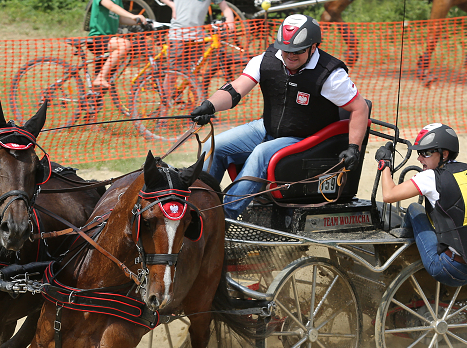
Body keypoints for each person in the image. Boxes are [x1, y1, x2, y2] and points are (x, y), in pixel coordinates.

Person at [189, 13, 369, 220]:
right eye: (286, 50)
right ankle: (198, 205)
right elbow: (236, 88)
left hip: (306, 138)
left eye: (298, 51)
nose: (290, 56)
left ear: (314, 46)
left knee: (261, 153)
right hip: (267, 127)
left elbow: (360, 108)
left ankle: (221, 219)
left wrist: (354, 147)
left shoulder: (330, 75)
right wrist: (209, 105)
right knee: (213, 146)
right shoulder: (266, 60)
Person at [377, 123, 467, 287]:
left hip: (451, 269)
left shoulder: (430, 177)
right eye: (419, 153)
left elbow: (388, 195)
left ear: (444, 154)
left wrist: (384, 163)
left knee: (415, 209)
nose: (419, 158)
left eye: (426, 153)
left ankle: (404, 245)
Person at [87, 0, 148, 90]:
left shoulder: (118, 1)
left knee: (107, 80)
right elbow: (111, 6)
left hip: (109, 41)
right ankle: (100, 77)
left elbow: (121, 19)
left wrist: (140, 22)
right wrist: (133, 15)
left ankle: (92, 101)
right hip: (98, 39)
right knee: (124, 44)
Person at [167, 0, 235, 70]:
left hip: (198, 37)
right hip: (177, 36)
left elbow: (225, 8)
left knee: (194, 70)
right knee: (173, 71)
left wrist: (230, 20)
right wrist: (172, 5)